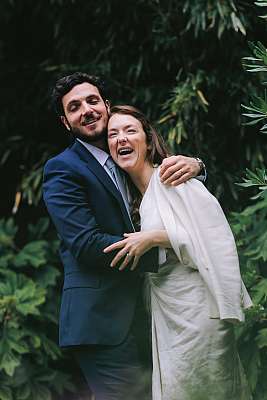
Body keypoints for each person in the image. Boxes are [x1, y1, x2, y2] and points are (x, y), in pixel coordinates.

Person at [42, 72, 204, 400]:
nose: (86, 110)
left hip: (145, 314)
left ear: (106, 105)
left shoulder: (127, 158)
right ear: (65, 121)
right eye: (74, 107)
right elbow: (87, 245)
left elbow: (171, 188)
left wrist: (198, 165)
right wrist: (164, 248)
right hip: (101, 322)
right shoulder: (62, 169)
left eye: (91, 101)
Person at [104, 105, 253, 400]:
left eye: (130, 130)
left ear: (148, 141)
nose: (121, 138)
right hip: (166, 314)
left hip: (200, 313)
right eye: (113, 134)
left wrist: (156, 237)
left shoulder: (174, 179)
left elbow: (216, 241)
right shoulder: (130, 199)